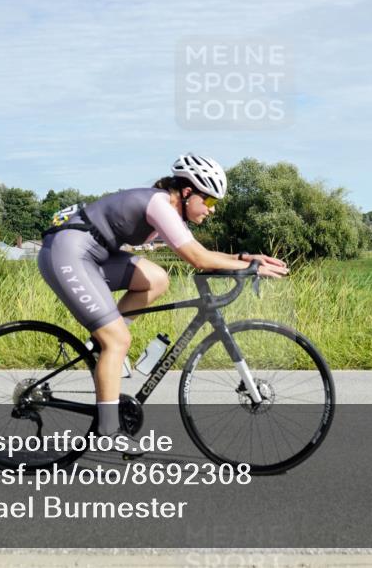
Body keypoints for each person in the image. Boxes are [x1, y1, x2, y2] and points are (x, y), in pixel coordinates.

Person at [37, 153, 288, 453]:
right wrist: (251, 266)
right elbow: (198, 259)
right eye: (208, 202)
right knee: (118, 340)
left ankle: (102, 343)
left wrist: (246, 259)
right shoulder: (160, 204)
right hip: (67, 252)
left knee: (156, 279)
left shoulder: (168, 208)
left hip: (93, 255)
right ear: (187, 192)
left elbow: (200, 251)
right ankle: (108, 429)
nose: (211, 210)